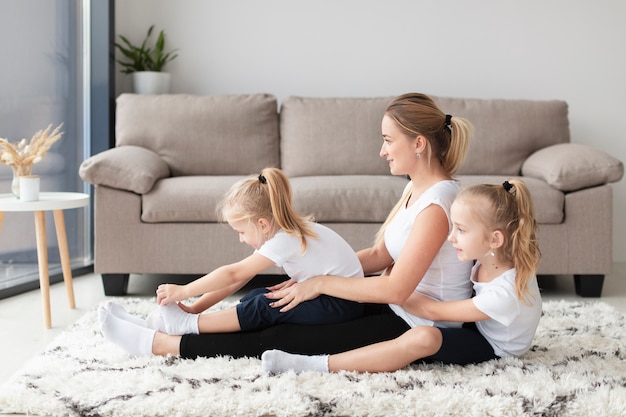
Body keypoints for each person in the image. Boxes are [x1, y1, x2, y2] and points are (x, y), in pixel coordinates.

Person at [98, 92, 474, 359]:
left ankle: (162, 344)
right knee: (264, 303)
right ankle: (172, 324)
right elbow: (378, 255)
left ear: (419, 144)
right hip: (395, 307)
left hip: (416, 322)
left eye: (388, 140)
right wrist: (314, 276)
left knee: (282, 335)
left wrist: (319, 284)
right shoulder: (416, 190)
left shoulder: (438, 205)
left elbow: (395, 288)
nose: (382, 150)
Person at [261, 179, 543, 373]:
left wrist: (393, 285)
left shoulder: (505, 293)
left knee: (423, 337)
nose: (450, 237)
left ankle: (318, 365)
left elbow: (431, 308)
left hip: (493, 346)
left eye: (460, 230)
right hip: (479, 321)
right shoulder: (491, 255)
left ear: (495, 239)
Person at [99, 168, 365, 353]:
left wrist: (184, 290)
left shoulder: (286, 239)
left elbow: (233, 274)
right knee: (256, 297)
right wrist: (194, 308)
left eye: (241, 232)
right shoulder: (287, 232)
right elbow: (239, 280)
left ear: (262, 224)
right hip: (335, 297)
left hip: (343, 304)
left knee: (264, 305)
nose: (240, 239)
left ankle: (185, 328)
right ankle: (162, 325)